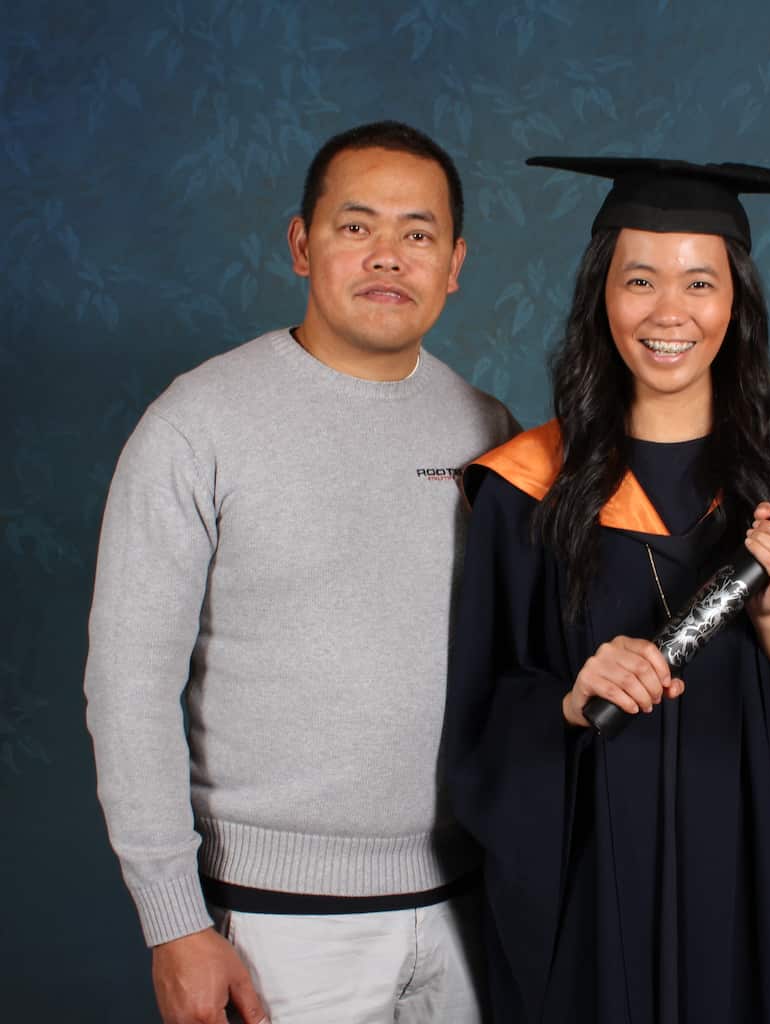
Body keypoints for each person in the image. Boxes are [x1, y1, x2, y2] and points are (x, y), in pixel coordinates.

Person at [84, 120, 517, 1024]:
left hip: (468, 906)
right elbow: (129, 686)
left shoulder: (489, 431)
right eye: (356, 226)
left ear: (455, 262)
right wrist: (173, 923)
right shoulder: (198, 423)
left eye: (418, 232)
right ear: (300, 243)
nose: (388, 257)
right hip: (273, 928)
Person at [442, 157, 770, 1024]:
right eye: (639, 280)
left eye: (700, 283)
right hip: (594, 906)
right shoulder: (527, 491)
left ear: (737, 304)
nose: (669, 312)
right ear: (601, 296)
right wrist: (567, 702)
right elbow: (476, 720)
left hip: (758, 898)